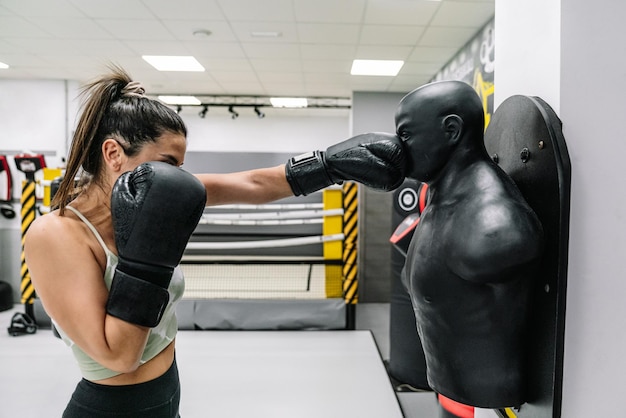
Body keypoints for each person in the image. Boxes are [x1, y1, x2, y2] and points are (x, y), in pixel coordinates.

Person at [23, 65, 407, 417]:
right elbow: (120, 356)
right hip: (110, 408)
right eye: (167, 163)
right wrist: (145, 262)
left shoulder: (152, 201)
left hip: (165, 391)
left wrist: (330, 164)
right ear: (113, 153)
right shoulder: (56, 234)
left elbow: (255, 184)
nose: (175, 178)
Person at [396, 81, 544, 410]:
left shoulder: (492, 223)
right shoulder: (439, 202)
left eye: (405, 135)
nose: (397, 147)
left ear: (451, 130)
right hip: (454, 389)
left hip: (492, 392)